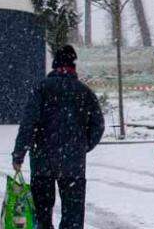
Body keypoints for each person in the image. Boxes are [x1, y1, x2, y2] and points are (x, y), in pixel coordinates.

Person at [12, 45, 105, 229]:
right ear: (73, 66)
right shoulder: (84, 92)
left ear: (54, 65)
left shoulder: (41, 89)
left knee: (42, 215)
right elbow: (98, 125)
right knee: (73, 216)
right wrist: (82, 146)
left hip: (42, 161)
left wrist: (19, 153)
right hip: (73, 165)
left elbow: (28, 123)